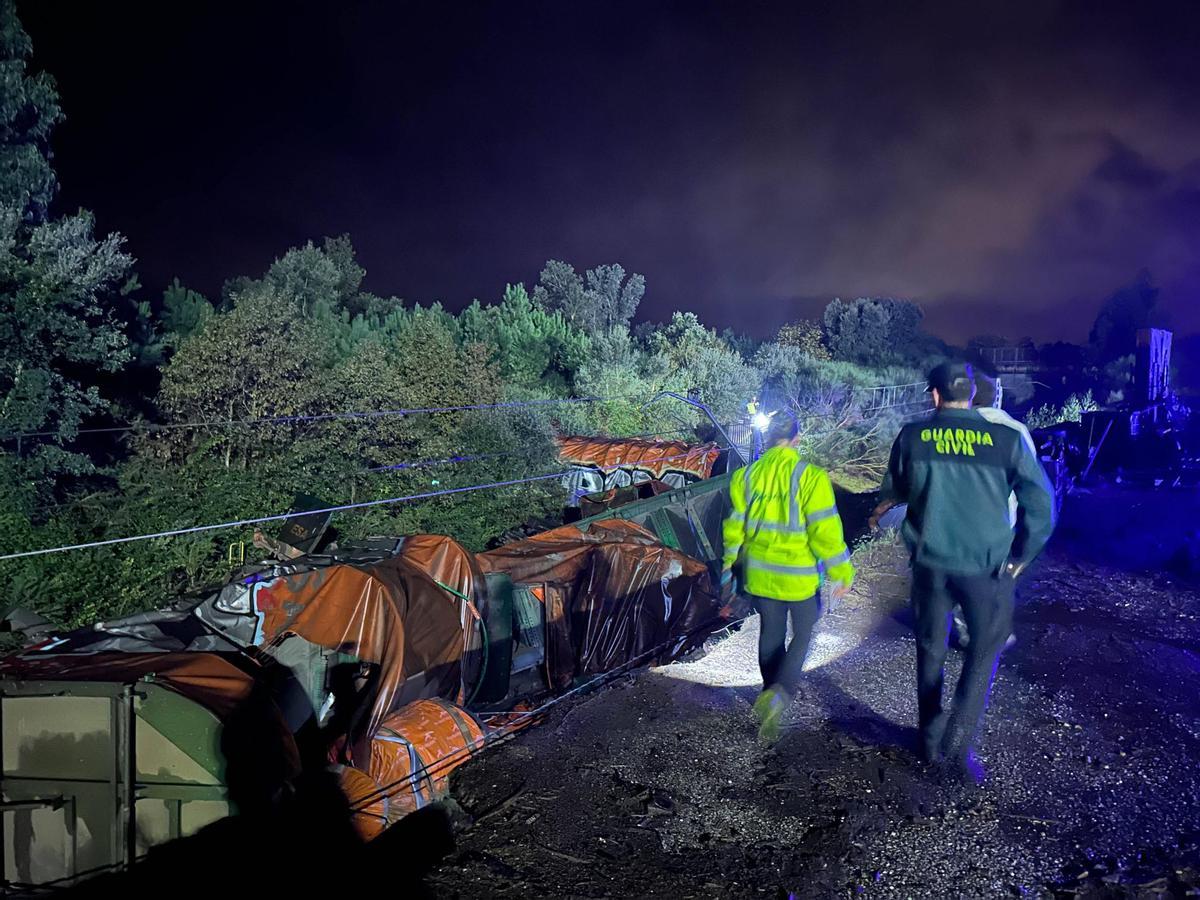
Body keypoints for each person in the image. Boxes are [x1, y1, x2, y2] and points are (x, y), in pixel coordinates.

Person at [878, 362, 1054, 779]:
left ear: (934, 395)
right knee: (984, 649)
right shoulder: (1008, 439)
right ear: (973, 395)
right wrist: (1019, 558)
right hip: (986, 568)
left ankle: (930, 738)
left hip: (930, 566)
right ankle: (958, 746)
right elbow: (1042, 507)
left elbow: (894, 490)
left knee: (931, 648)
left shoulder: (913, 437)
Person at [720, 410, 855, 742]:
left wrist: (727, 563)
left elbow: (734, 528)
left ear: (767, 440)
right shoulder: (811, 477)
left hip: (761, 574)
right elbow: (825, 532)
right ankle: (780, 694)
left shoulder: (745, 477)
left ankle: (768, 693)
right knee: (805, 632)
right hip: (799, 577)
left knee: (771, 632)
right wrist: (841, 570)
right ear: (797, 439)